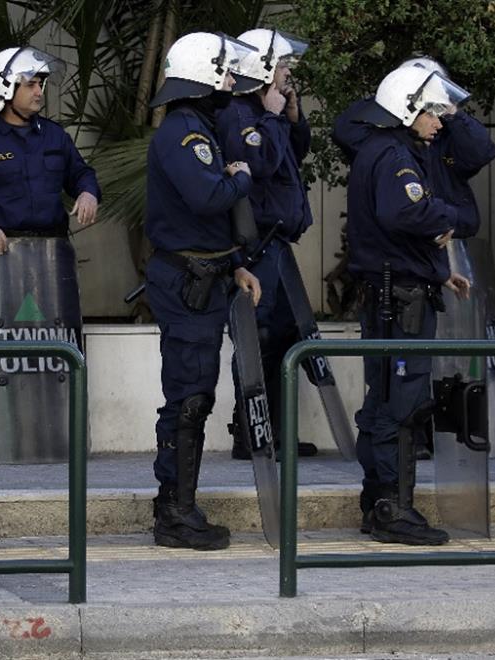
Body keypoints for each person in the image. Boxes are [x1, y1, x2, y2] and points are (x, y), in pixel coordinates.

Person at [342, 64, 473, 545]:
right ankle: (393, 509)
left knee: (385, 400)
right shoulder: (395, 154)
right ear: (405, 110)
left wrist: (439, 271)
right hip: (399, 302)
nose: (438, 122)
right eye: (431, 112)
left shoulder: (380, 149)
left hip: (392, 293)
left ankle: (378, 503)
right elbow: (405, 211)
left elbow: (393, 234)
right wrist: (450, 217)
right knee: (401, 404)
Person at [145, 31, 263, 550]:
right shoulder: (183, 133)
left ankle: (177, 504)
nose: (232, 82)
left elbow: (208, 225)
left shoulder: (197, 128)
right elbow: (209, 197)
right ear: (204, 76)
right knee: (188, 398)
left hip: (207, 275)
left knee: (196, 394)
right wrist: (241, 177)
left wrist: (236, 265)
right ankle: (175, 511)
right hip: (186, 283)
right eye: (226, 73)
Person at [215, 28, 318, 460]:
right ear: (261, 67)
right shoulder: (240, 113)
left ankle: (275, 431)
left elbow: (295, 153)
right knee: (257, 337)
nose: (288, 71)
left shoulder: (267, 111)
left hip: (278, 245)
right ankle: (251, 433)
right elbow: (261, 162)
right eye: (282, 64)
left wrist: (291, 116)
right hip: (256, 246)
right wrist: (273, 118)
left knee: (284, 338)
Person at [0, 46, 100, 248]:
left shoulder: (54, 135)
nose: (39, 92)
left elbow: (81, 173)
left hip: (51, 250)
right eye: (30, 85)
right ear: (6, 88)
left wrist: (88, 193)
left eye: (40, 84)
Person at [334, 56, 495, 239]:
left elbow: (481, 151)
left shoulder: (449, 134)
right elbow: (344, 130)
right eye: (428, 108)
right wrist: (392, 95)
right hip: (405, 244)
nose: (437, 123)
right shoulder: (389, 149)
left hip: (446, 236)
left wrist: (452, 111)